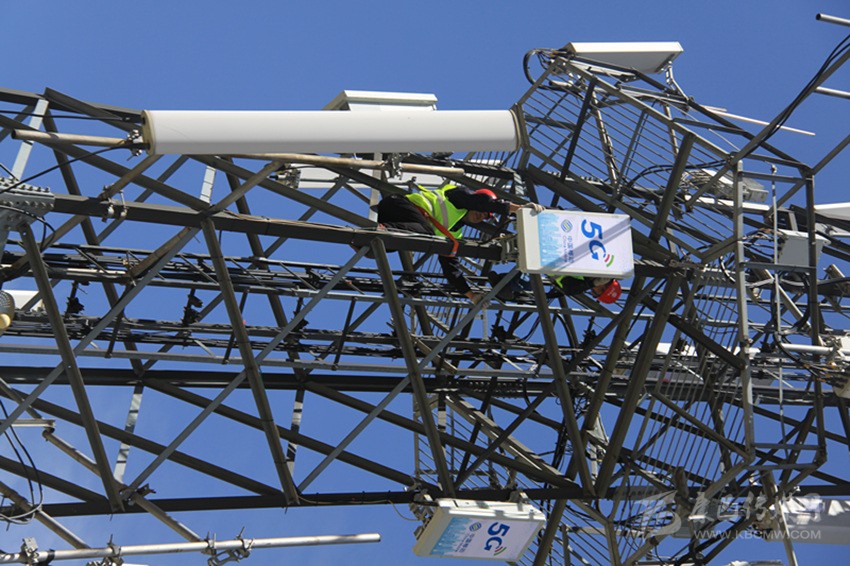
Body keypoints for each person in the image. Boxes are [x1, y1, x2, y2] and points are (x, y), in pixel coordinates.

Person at [375, 184, 544, 303]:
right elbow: (480, 202)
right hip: (398, 205)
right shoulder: (458, 196)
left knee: (391, 245)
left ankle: (371, 241)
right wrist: (519, 209)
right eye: (484, 211)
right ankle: (384, 230)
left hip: (400, 219)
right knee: (426, 236)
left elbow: (451, 268)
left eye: (486, 217)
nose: (482, 215)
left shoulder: (454, 234)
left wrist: (471, 295)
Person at [487, 271, 621, 304]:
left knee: (527, 284)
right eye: (601, 289)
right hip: (550, 254)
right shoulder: (594, 270)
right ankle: (502, 286)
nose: (596, 289)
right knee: (525, 283)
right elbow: (570, 288)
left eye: (597, 293)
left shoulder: (584, 283)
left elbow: (569, 289)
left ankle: (501, 283)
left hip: (546, 263)